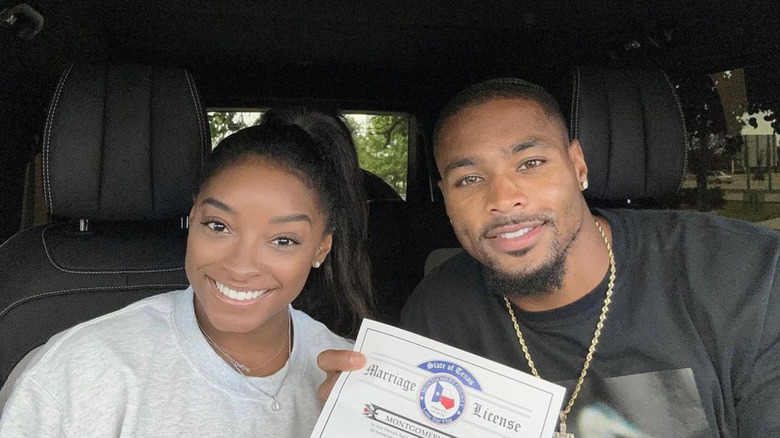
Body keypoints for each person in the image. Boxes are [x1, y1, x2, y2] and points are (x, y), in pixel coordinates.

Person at [318, 79, 780, 437]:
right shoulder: (437, 314)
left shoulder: (744, 277)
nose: (503, 198)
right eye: (469, 179)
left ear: (577, 166)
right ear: (445, 198)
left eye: (531, 163)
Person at [0, 104, 373, 436]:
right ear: (193, 215)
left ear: (321, 247)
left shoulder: (361, 386)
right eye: (218, 225)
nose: (241, 267)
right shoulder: (79, 370)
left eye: (283, 240)